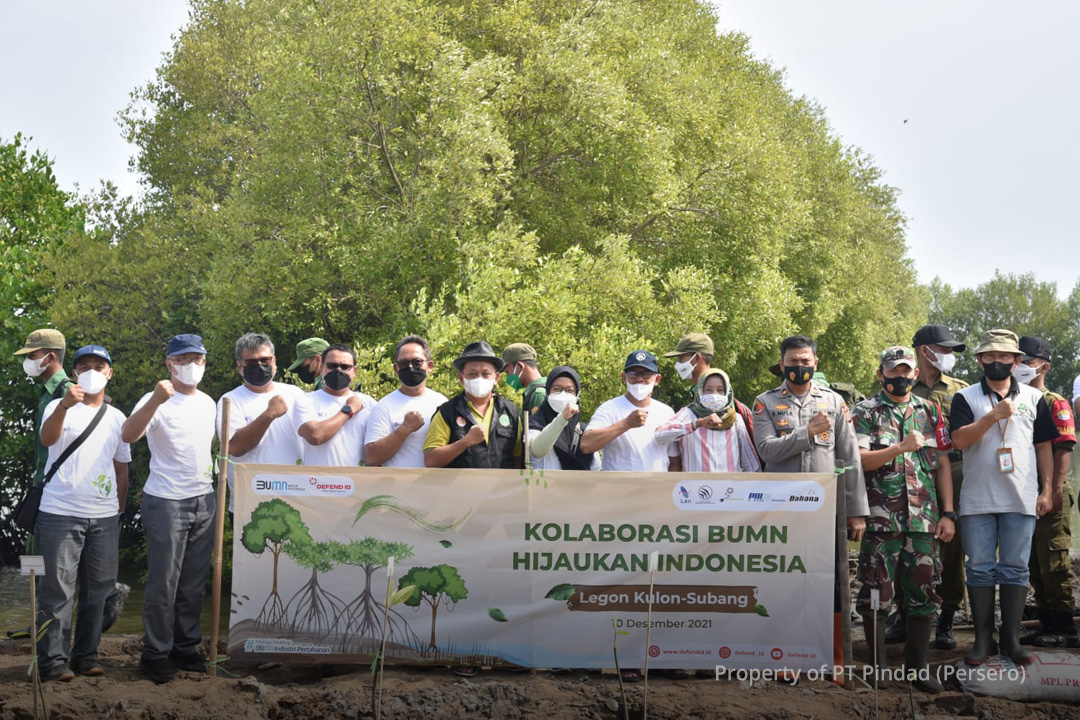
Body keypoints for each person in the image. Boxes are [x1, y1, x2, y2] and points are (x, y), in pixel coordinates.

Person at [752, 335, 868, 677]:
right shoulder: (765, 403)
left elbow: (849, 457)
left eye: (805, 362)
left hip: (826, 511)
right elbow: (766, 450)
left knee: (831, 582)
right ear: (782, 363)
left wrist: (856, 510)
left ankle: (835, 658)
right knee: (785, 579)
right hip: (783, 509)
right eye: (793, 362)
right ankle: (785, 656)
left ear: (815, 363)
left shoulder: (833, 403)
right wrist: (807, 434)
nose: (799, 367)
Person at [949, 329, 1057, 666]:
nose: (997, 362)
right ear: (980, 360)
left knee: (1015, 569)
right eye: (990, 356)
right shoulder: (965, 398)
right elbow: (958, 441)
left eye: (1004, 356)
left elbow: (1043, 446)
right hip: (978, 499)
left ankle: (1011, 639)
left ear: (1016, 360)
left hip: (1020, 498)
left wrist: (1046, 489)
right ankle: (983, 640)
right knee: (979, 569)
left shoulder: (1034, 399)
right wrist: (993, 417)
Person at [852, 346, 955, 693]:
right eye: (893, 371)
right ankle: (879, 668)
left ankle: (918, 669)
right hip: (881, 520)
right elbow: (861, 462)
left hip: (924, 519)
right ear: (881, 374)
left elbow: (941, 464)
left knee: (924, 593)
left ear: (915, 374)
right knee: (876, 593)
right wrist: (899, 447)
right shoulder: (865, 412)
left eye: (906, 371)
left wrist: (948, 514)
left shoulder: (931, 411)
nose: (900, 377)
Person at [121, 334, 217, 683]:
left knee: (193, 582)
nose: (191, 366)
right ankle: (154, 652)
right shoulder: (155, 398)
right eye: (183, 359)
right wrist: (156, 401)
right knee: (164, 582)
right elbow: (128, 434)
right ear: (169, 364)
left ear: (205, 362)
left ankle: (184, 646)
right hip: (165, 500)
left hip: (204, 498)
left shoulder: (209, 402)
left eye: (198, 359)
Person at [35, 345, 131, 681]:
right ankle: (52, 662)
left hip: (104, 517)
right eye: (85, 365)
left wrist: (118, 511)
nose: (91, 370)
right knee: (57, 590)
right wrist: (64, 405)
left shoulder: (118, 417)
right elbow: (48, 440)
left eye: (99, 365)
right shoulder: (56, 407)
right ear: (74, 373)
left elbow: (122, 468)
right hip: (59, 513)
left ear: (109, 373)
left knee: (99, 592)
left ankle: (85, 656)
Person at [904, 323, 970, 648]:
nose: (947, 356)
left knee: (952, 545)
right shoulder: (902, 385)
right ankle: (905, 615)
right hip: (912, 471)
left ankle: (947, 619)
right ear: (924, 351)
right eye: (943, 349)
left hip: (954, 470)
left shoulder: (961, 389)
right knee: (910, 541)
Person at [1014, 336, 1077, 648]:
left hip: (1050, 494)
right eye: (1019, 360)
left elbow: (1064, 447)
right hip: (1026, 494)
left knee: (1054, 563)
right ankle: (1045, 624)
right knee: (1035, 564)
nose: (1020, 366)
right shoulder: (1017, 399)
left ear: (1043, 366)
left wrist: (1054, 489)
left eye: (1026, 361)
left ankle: (1064, 627)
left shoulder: (1054, 402)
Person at [218, 333, 306, 510]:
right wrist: (269, 414)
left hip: (296, 498)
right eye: (251, 362)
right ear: (239, 366)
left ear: (274, 361)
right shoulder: (230, 400)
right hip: (251, 502)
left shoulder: (295, 394)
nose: (259, 366)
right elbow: (234, 448)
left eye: (265, 360)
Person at [13, 329, 72, 552]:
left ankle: (40, 587)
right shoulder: (47, 392)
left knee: (48, 560)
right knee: (32, 553)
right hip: (41, 486)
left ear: (51, 357)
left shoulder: (66, 392)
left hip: (56, 492)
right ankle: (33, 587)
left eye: (32, 356)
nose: (28, 362)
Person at [424, 340, 522, 470]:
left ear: (496, 378)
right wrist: (466, 441)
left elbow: (518, 457)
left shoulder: (510, 411)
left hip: (501, 489)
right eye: (472, 374)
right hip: (460, 489)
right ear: (461, 378)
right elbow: (431, 460)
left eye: (486, 374)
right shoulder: (447, 412)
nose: (479, 378)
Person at [580, 350, 679, 473]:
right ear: (624, 377)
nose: (639, 379)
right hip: (618, 489)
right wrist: (626, 424)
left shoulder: (666, 412)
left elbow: (674, 460)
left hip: (655, 489)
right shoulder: (609, 409)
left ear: (657, 379)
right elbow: (586, 445)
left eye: (646, 374)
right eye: (633, 374)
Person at [664, 333, 758, 452]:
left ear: (697, 358)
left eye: (681, 358)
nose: (678, 363)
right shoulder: (694, 393)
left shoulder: (724, 405)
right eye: (708, 389)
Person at [654, 369, 760, 473]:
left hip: (730, 488)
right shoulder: (688, 414)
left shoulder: (735, 419)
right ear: (700, 391)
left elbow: (751, 464)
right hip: (695, 488)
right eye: (708, 390)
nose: (714, 394)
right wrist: (697, 424)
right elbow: (660, 436)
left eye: (720, 390)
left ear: (727, 393)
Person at [365, 335, 448, 468]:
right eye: (403, 363)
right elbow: (372, 457)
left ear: (430, 366)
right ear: (396, 369)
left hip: (435, 486)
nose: (410, 367)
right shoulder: (384, 406)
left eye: (417, 362)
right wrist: (404, 429)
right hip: (397, 487)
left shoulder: (442, 403)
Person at [296, 344, 377, 467]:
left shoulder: (369, 403)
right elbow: (315, 436)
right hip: (316, 482)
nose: (338, 371)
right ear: (322, 368)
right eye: (332, 366)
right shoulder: (306, 400)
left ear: (354, 371)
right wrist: (348, 410)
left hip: (356, 483)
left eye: (345, 367)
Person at [528, 366, 598, 471]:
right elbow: (537, 451)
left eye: (570, 390)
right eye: (557, 389)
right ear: (547, 392)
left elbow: (596, 468)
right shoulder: (535, 423)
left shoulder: (583, 431)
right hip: (543, 486)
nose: (563, 394)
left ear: (577, 395)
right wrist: (562, 418)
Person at [502, 343, 547, 413]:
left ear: (520, 366)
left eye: (507, 372)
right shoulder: (544, 389)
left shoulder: (538, 394)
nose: (507, 378)